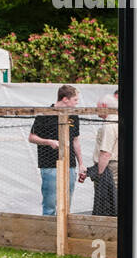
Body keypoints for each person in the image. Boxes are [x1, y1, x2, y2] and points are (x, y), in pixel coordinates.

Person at [28, 85, 85, 216]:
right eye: (75, 100)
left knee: (66, 204)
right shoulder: (45, 114)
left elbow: (76, 140)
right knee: (50, 204)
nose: (77, 103)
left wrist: (81, 163)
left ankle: (64, 234)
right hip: (49, 165)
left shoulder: (73, 116)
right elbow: (31, 137)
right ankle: (49, 234)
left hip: (70, 165)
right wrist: (48, 142)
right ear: (65, 99)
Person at [89, 91, 118, 216]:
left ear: (104, 106)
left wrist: (100, 175)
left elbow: (105, 153)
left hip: (109, 167)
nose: (97, 110)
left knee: (108, 197)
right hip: (112, 165)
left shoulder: (109, 125)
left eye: (98, 107)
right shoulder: (118, 120)